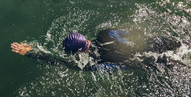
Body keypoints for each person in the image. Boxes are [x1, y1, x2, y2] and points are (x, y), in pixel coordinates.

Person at [11, 28, 181, 71]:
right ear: (85, 38)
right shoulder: (105, 33)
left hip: (155, 62)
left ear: (79, 53)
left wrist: (31, 53)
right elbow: (134, 32)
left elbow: (60, 62)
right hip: (159, 43)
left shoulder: (94, 63)